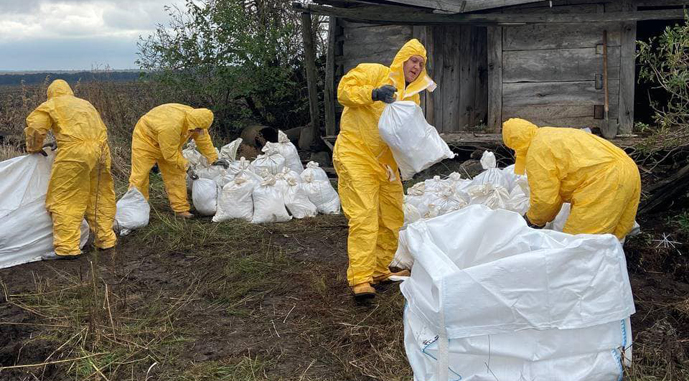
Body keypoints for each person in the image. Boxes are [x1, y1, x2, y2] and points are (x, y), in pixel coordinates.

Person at [334, 39, 436, 300]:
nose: (416, 66)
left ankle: (379, 269)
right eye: (413, 60)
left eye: (421, 64)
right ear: (402, 59)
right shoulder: (374, 72)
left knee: (392, 216)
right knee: (364, 215)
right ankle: (361, 278)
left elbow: (406, 135)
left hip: (387, 165)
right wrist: (374, 93)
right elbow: (344, 91)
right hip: (356, 155)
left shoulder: (412, 96)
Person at [502, 118, 641, 240]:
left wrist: (531, 220)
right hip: (629, 168)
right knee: (613, 239)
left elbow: (545, 201)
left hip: (605, 179)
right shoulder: (550, 133)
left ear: (513, 144)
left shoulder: (537, 152)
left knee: (578, 245)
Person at [25, 79, 117, 259]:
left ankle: (67, 248)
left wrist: (34, 148)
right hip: (102, 150)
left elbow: (36, 128)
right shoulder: (85, 104)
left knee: (65, 197)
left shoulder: (51, 105)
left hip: (75, 154)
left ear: (50, 93)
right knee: (100, 194)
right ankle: (106, 239)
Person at [129, 103, 227, 218]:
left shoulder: (197, 119)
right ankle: (134, 210)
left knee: (176, 175)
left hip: (169, 144)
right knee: (140, 176)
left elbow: (203, 139)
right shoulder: (172, 126)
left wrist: (213, 158)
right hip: (146, 141)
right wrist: (187, 166)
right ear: (193, 124)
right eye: (198, 129)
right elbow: (169, 154)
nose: (199, 131)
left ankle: (181, 210)